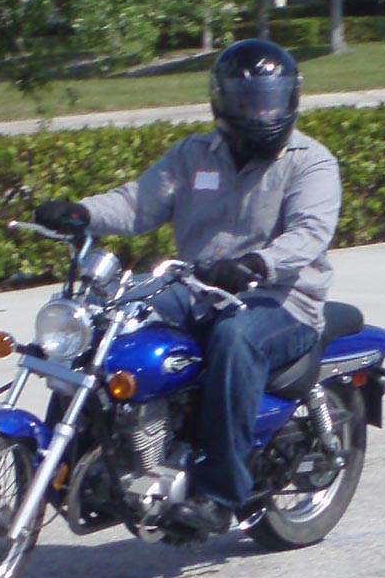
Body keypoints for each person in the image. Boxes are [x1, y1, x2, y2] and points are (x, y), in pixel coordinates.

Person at [33, 38, 341, 535]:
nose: (260, 112)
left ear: (290, 99)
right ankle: (89, 455)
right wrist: (81, 212)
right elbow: (138, 204)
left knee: (234, 339)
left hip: (283, 299)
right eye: (248, 100)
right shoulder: (194, 155)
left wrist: (257, 263)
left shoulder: (311, 162)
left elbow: (309, 233)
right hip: (198, 287)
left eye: (270, 100)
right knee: (108, 318)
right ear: (223, 101)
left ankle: (220, 494)